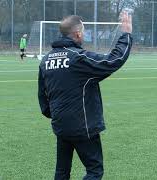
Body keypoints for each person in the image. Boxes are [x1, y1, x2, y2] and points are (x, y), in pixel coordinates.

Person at [38, 12, 133, 180]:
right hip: (83, 127)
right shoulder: (78, 58)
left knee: (62, 172)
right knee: (94, 171)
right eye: (84, 31)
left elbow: (42, 96)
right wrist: (126, 34)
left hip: (61, 125)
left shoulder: (46, 60)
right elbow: (113, 60)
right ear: (78, 33)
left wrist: (56, 115)